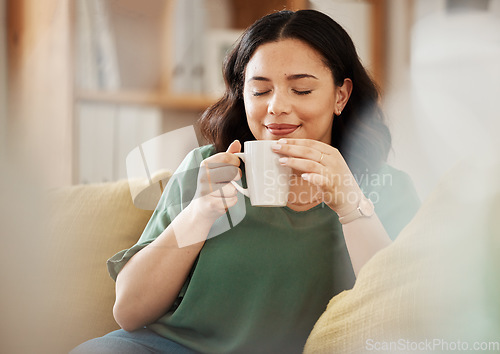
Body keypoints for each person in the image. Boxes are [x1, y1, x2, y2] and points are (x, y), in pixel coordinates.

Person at [72, 9, 420, 354]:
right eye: (260, 91)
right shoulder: (207, 167)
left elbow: (402, 320)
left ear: (340, 95)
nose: (276, 106)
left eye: (300, 90)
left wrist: (350, 205)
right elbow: (129, 312)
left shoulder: (384, 188)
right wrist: (199, 213)